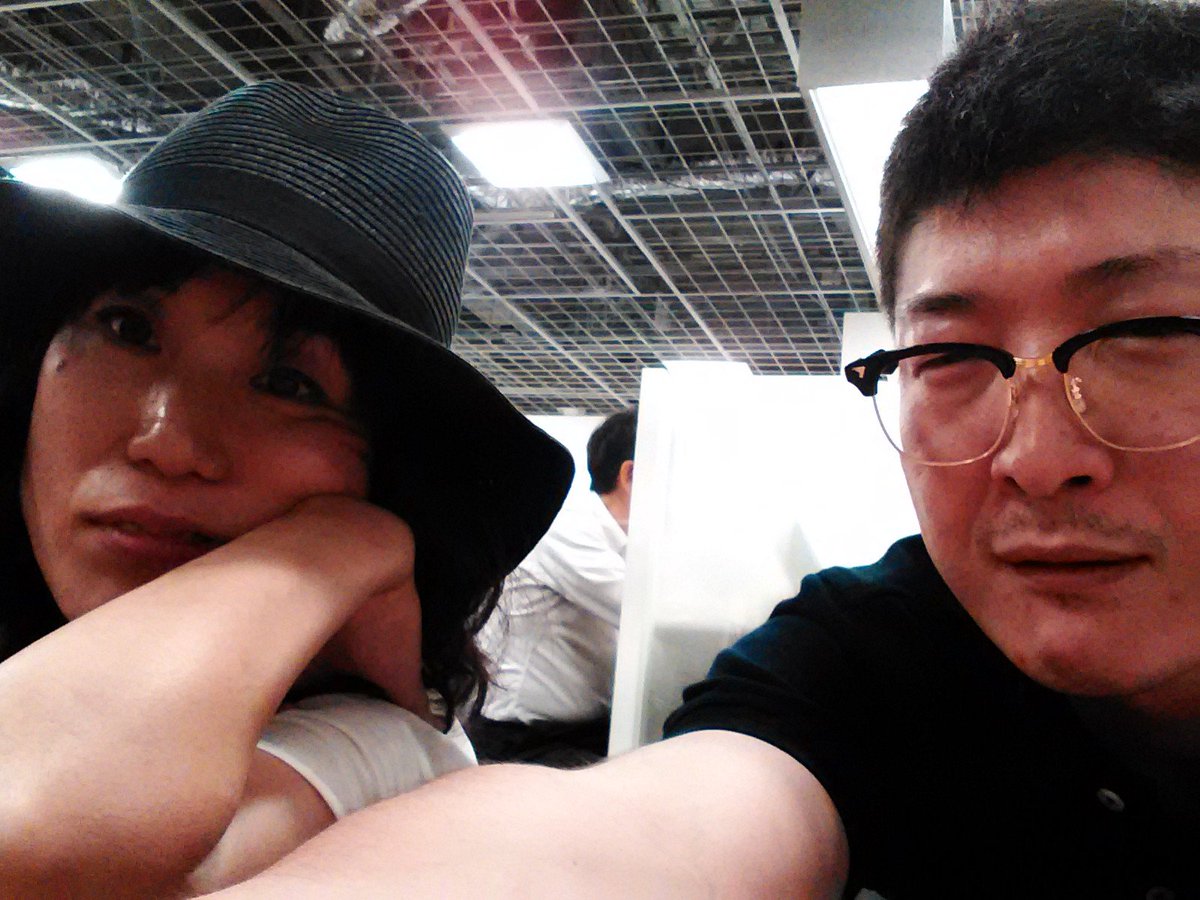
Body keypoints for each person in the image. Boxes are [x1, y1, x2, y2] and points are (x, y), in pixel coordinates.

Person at [204, 2, 1200, 898]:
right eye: (946, 356)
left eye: (1152, 333)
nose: (1035, 457)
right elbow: (664, 826)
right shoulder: (870, 659)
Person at [0, 80, 573, 896]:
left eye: (287, 384)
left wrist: (335, 548)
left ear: (384, 472)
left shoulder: (376, 749)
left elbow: (32, 832)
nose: (167, 441)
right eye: (128, 329)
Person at [470, 408, 637, 767]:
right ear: (630, 475)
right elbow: (641, 612)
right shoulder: (567, 528)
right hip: (524, 740)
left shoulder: (625, 547)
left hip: (579, 733)